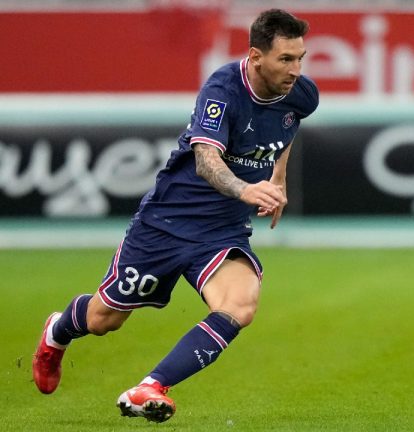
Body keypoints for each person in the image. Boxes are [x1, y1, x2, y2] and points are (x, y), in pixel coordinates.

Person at [32, 8, 318, 423]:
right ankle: (58, 331)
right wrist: (245, 188)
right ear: (256, 56)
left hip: (222, 230)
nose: (296, 70)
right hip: (167, 223)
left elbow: (286, 129)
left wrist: (279, 177)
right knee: (103, 320)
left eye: (301, 58)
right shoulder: (223, 89)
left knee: (240, 305)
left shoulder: (302, 94)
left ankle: (151, 386)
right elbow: (206, 160)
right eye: (286, 59)